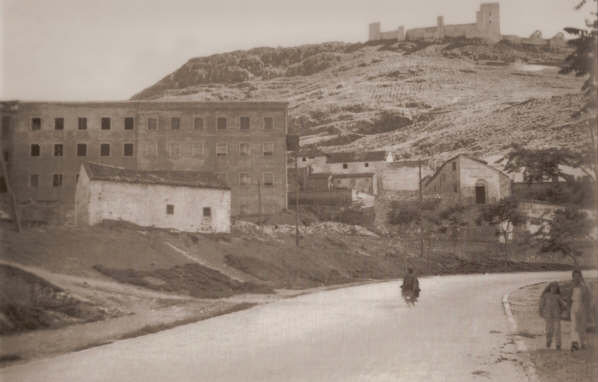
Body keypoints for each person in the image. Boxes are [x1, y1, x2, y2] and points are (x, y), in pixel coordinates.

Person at [568, 270, 592, 351]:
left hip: (582, 306)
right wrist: (568, 309)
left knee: (582, 326)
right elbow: (569, 299)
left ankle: (583, 342)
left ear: (580, 277)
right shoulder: (571, 286)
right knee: (573, 325)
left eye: (578, 276)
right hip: (574, 306)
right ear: (573, 277)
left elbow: (588, 298)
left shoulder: (584, 286)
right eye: (575, 276)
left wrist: (587, 309)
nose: (576, 278)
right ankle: (574, 343)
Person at [538, 282, 567, 350]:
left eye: (555, 288)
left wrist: (562, 311)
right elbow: (541, 304)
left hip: (556, 316)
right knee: (548, 330)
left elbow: (564, 305)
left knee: (557, 330)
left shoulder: (558, 296)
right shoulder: (546, 295)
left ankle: (558, 344)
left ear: (557, 289)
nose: (554, 289)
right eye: (552, 287)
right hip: (548, 316)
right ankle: (549, 340)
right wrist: (541, 311)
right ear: (549, 288)